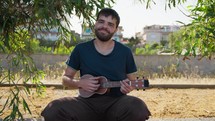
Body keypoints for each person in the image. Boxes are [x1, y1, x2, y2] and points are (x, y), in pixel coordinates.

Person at [41, 8, 151, 121]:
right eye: (101, 21)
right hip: (85, 104)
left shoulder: (125, 52)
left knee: (138, 107)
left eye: (110, 24)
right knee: (53, 109)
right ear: (95, 23)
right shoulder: (81, 49)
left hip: (116, 103)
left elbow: (132, 82)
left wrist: (128, 88)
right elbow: (65, 79)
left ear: (116, 29)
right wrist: (79, 83)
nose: (104, 26)